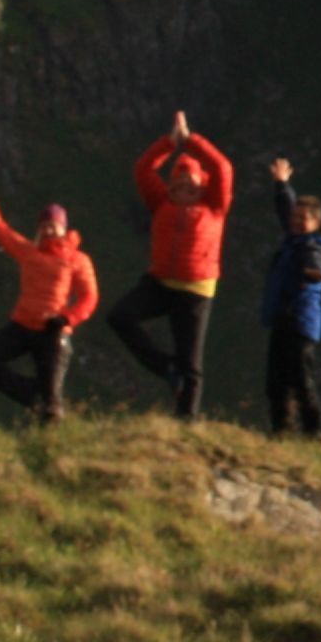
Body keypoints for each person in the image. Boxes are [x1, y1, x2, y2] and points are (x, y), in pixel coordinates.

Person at [104, 112, 235, 419]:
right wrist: (168, 143)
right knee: (120, 317)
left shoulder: (215, 205)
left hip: (196, 289)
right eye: (177, 187)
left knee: (191, 363)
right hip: (160, 282)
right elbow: (143, 170)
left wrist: (190, 142)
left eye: (190, 187)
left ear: (202, 187)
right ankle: (165, 367)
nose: (183, 192)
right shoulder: (160, 202)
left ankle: (186, 422)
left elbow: (222, 168)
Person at [0, 192, 98, 422]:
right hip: (22, 325)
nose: (48, 230)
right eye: (44, 226)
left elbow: (89, 297)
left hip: (53, 331)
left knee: (52, 408)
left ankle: (48, 439)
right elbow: (1, 231)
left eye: (53, 226)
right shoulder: (28, 251)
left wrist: (67, 319)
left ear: (63, 228)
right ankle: (31, 393)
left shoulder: (77, 259)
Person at [259, 158, 321, 438]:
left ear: (317, 223)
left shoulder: (315, 246)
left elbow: (316, 261)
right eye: (296, 218)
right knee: (275, 381)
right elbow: (285, 212)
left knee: (301, 378)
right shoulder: (295, 239)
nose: (297, 223)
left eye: (303, 219)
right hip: (283, 319)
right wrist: (282, 184)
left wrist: (313, 273)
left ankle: (313, 432)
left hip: (301, 322)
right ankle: (280, 430)